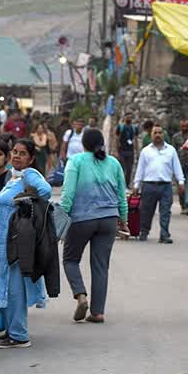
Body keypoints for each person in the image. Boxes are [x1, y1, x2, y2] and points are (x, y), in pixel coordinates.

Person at [0, 138, 51, 349]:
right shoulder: (14, 178)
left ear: (31, 158)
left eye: (22, 153)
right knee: (4, 287)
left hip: (14, 243)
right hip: (0, 245)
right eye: (14, 151)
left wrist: (25, 200)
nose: (16, 156)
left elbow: (45, 191)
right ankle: (10, 330)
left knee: (14, 290)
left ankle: (19, 335)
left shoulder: (29, 176)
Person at [61, 128, 128, 325]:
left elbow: (68, 194)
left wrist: (61, 218)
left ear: (83, 144)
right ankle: (98, 312)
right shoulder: (113, 162)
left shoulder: (76, 161)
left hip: (82, 219)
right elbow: (121, 196)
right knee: (101, 266)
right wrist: (123, 220)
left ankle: (80, 295)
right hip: (108, 219)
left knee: (70, 260)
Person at [132, 125, 185, 244]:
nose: (157, 135)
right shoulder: (146, 151)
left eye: (160, 132)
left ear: (164, 134)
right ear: (151, 134)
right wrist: (136, 185)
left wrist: (181, 182)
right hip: (149, 185)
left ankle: (164, 234)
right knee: (146, 210)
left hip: (165, 185)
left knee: (165, 211)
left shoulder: (171, 150)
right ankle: (144, 232)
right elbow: (140, 168)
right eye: (155, 132)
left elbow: (177, 167)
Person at [116, 115, 139, 185]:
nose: (129, 118)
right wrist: (117, 150)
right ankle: (121, 184)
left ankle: (127, 184)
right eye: (127, 117)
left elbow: (135, 139)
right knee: (122, 168)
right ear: (124, 118)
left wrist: (137, 151)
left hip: (130, 151)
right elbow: (117, 138)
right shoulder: (120, 127)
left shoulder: (134, 128)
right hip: (122, 150)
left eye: (130, 117)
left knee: (129, 169)